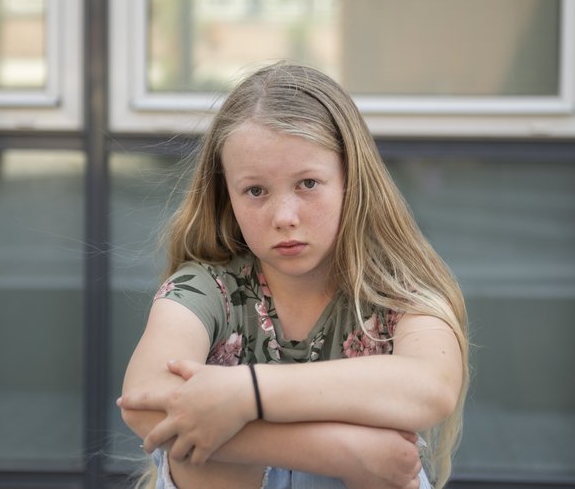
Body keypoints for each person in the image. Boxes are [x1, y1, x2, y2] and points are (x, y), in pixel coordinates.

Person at [116, 63, 469, 489]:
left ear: (350, 180)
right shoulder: (208, 288)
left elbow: (430, 388)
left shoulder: (396, 291)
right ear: (226, 195)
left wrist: (246, 394)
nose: (284, 217)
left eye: (307, 183)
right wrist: (350, 451)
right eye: (256, 191)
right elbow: (143, 403)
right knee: (200, 456)